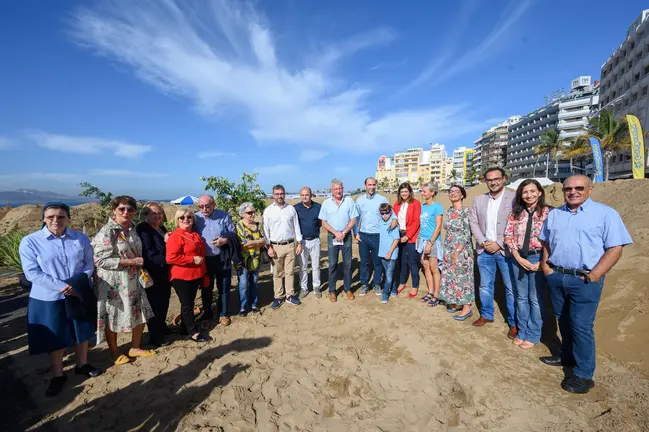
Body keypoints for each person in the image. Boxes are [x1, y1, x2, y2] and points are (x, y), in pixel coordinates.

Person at [539, 175, 632, 394]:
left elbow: (615, 248)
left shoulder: (606, 214)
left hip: (584, 279)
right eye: (568, 188)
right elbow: (546, 242)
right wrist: (546, 266)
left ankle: (583, 374)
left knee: (581, 325)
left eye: (579, 187)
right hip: (557, 275)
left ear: (590, 189)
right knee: (563, 320)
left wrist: (595, 275)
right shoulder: (555, 214)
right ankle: (567, 357)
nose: (573, 191)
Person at [19, 202, 102, 397]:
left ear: (68, 218)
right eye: (51, 217)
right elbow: (32, 272)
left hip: (77, 292)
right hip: (49, 296)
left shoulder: (79, 238)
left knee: (80, 329)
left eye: (61, 216)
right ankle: (58, 374)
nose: (56, 220)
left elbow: (89, 263)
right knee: (56, 335)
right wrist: (62, 287)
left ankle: (83, 364)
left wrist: (79, 283)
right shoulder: (31, 241)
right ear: (44, 218)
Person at [93, 196, 155, 365]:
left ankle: (135, 347)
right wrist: (130, 262)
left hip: (133, 280)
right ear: (114, 210)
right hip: (114, 283)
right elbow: (99, 260)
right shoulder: (107, 232)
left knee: (139, 310)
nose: (126, 212)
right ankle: (114, 352)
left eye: (130, 209)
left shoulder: (133, 228)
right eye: (121, 209)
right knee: (113, 315)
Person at [504, 180, 552, 350]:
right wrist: (517, 257)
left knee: (536, 298)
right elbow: (508, 235)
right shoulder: (516, 213)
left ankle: (533, 333)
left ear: (540, 192)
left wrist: (542, 262)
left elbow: (553, 239)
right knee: (521, 298)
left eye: (533, 191)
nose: (529, 195)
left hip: (540, 258)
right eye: (525, 192)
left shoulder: (549, 213)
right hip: (519, 259)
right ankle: (522, 330)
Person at [469, 168, 517, 337]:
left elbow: (516, 224)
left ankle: (513, 323)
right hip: (484, 249)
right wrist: (483, 242)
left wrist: (500, 243)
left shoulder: (514, 197)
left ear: (504, 179)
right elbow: (473, 223)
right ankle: (486, 314)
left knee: (510, 288)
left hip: (506, 250)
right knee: (485, 285)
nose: (493, 182)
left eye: (497, 179)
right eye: (490, 180)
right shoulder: (479, 199)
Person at [166, 209, 211, 343]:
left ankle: (184, 328)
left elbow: (201, 257)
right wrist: (191, 260)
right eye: (182, 217)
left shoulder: (195, 235)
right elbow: (170, 258)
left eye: (189, 217)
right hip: (182, 276)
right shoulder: (176, 236)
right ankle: (193, 332)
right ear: (177, 220)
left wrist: (204, 273)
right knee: (187, 305)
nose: (186, 219)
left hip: (195, 275)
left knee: (189, 303)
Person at [195, 195, 236, 327]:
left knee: (224, 287)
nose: (204, 209)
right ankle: (207, 314)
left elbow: (233, 232)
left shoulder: (223, 215)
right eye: (201, 206)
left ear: (214, 205)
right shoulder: (195, 218)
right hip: (205, 260)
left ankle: (223, 314)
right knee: (206, 287)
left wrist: (225, 240)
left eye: (207, 206)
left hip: (222, 257)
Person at [136, 202, 171, 348]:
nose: (157, 216)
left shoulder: (161, 228)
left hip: (164, 271)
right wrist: (169, 259)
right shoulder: (143, 229)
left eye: (159, 213)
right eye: (153, 213)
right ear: (145, 215)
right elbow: (148, 252)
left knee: (164, 301)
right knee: (155, 304)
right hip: (153, 272)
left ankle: (162, 328)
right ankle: (156, 337)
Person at [318, 178, 359, 302]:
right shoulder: (326, 203)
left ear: (343, 189)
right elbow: (323, 222)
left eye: (340, 188)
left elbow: (353, 219)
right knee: (332, 264)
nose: (338, 191)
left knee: (348, 264)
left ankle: (347, 289)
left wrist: (344, 232)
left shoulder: (349, 201)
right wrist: (335, 232)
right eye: (335, 189)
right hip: (332, 237)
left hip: (345, 237)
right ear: (331, 190)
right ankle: (332, 291)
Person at [263, 184, 303, 309]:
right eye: (277, 194)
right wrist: (268, 247)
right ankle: (278, 297)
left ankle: (290, 295)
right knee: (277, 273)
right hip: (275, 247)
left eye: (281, 193)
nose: (279, 196)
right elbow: (265, 231)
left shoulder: (291, 209)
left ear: (284, 194)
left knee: (290, 272)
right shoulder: (268, 210)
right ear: (273, 195)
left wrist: (299, 243)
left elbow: (296, 226)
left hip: (290, 244)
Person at [439, 185, 475, 320]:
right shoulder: (449, 210)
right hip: (449, 247)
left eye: (456, 192)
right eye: (451, 191)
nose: (453, 193)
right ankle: (457, 303)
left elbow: (467, 232)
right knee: (452, 276)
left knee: (463, 278)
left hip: (462, 248)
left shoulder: (466, 211)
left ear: (462, 195)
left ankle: (466, 308)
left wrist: (457, 251)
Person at [354, 177, 388, 296]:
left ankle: (377, 283)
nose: (371, 187)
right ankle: (364, 284)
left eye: (373, 185)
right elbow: (356, 218)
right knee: (364, 261)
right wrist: (355, 233)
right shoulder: (359, 200)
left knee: (377, 262)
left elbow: (387, 216)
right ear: (365, 186)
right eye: (369, 185)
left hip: (377, 235)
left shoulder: (382, 199)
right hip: (363, 235)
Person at [235, 202, 265, 315]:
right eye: (249, 212)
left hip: (256, 260)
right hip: (242, 261)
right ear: (242, 214)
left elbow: (264, 241)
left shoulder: (258, 225)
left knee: (254, 283)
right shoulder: (238, 226)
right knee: (243, 285)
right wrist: (258, 242)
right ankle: (243, 307)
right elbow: (243, 244)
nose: (252, 214)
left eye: (253, 212)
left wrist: (254, 242)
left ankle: (253, 305)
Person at [392, 182, 421, 298]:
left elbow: (416, 221)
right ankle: (402, 283)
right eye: (402, 191)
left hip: (411, 236)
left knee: (412, 262)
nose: (404, 193)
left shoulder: (416, 203)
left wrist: (407, 236)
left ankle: (415, 286)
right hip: (399, 235)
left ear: (410, 192)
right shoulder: (396, 205)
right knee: (402, 261)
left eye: (406, 191)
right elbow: (394, 220)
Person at [417, 182, 444, 306]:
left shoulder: (437, 206)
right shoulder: (422, 206)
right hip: (422, 240)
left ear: (432, 193)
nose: (422, 193)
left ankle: (437, 295)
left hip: (432, 241)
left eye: (424, 191)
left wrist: (430, 243)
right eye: (422, 191)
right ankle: (430, 291)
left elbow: (438, 227)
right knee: (426, 266)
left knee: (434, 268)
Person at [294, 187, 322, 299]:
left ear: (311, 195)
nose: (304, 197)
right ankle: (304, 288)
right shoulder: (296, 208)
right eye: (302, 195)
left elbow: (320, 222)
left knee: (316, 266)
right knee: (303, 266)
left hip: (315, 240)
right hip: (302, 242)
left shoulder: (318, 207)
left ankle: (316, 287)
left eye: (306, 195)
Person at [378, 203, 400, 303]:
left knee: (389, 275)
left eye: (387, 213)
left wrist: (389, 252)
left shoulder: (393, 224)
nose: (385, 215)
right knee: (388, 273)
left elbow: (396, 239)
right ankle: (394, 290)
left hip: (391, 254)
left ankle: (385, 294)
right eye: (382, 213)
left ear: (390, 212)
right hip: (382, 252)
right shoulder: (380, 221)